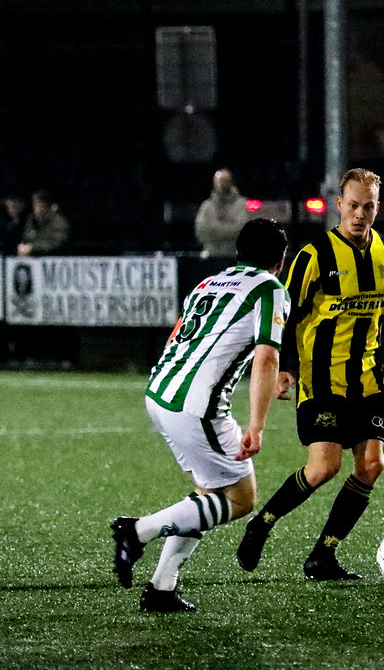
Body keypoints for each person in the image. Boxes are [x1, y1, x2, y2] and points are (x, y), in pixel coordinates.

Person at [236, 168, 384, 581]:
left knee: (372, 465)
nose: (360, 214)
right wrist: (287, 368)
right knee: (323, 468)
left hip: (368, 376)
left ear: (377, 208)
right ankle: (262, 523)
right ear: (339, 205)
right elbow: (287, 315)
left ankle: (322, 555)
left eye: (369, 207)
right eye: (353, 205)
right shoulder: (314, 257)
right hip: (321, 378)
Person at [110, 217, 291, 613]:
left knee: (208, 494)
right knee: (241, 498)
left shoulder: (209, 283)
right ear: (280, 260)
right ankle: (137, 531)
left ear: (238, 252)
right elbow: (267, 357)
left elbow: (180, 336)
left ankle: (162, 588)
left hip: (161, 393)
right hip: (197, 406)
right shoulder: (270, 288)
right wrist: (257, 425)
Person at [194, 168, 251, 259]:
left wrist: (214, 229)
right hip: (211, 256)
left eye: (223, 182)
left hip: (234, 257)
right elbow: (201, 232)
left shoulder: (241, 204)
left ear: (230, 183)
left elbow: (241, 231)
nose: (220, 185)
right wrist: (228, 228)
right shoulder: (207, 206)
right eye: (217, 182)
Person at [17, 190, 70, 256]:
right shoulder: (31, 220)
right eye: (35, 205)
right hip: (33, 257)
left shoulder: (59, 222)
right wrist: (23, 246)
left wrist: (33, 248)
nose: (37, 209)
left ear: (48, 206)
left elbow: (56, 244)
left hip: (54, 257)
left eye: (40, 205)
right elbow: (27, 237)